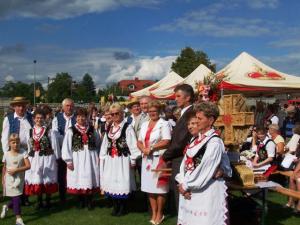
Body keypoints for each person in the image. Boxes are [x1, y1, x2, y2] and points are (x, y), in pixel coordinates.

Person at [176, 102, 230, 225]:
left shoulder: (214, 142)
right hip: (190, 188)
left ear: (210, 120)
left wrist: (186, 186)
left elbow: (205, 169)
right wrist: (182, 181)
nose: (197, 121)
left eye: (200, 119)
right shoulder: (195, 139)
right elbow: (185, 163)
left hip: (205, 190)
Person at [100, 103, 140, 216]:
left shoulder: (127, 127)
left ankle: (123, 207)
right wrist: (102, 157)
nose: (114, 116)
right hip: (110, 160)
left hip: (122, 160)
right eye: (112, 114)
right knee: (111, 181)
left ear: (122, 113)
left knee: (122, 182)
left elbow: (133, 145)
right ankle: (115, 206)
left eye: (117, 113)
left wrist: (133, 160)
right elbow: (105, 144)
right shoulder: (109, 127)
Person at [137, 100, 171, 225]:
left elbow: (167, 141)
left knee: (160, 188)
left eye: (155, 111)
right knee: (150, 188)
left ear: (159, 111)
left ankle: (160, 213)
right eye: (150, 111)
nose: (152, 113)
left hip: (160, 159)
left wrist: (151, 148)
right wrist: (143, 149)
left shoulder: (164, 124)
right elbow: (139, 141)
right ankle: (154, 212)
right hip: (147, 159)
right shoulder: (145, 124)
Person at [162, 84, 194, 211]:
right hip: (178, 157)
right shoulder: (185, 113)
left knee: (181, 194)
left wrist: (165, 156)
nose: (176, 99)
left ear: (188, 97)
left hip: (181, 158)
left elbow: (180, 141)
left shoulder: (189, 114)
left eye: (178, 96)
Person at [62, 107, 100, 209]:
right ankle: (80, 201)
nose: (81, 119)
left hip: (91, 158)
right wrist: (68, 161)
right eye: (78, 117)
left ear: (87, 117)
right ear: (76, 118)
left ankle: (89, 201)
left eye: (83, 116)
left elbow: (98, 142)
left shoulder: (92, 129)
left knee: (90, 178)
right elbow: (66, 146)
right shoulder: (71, 130)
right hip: (77, 158)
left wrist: (97, 155)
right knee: (79, 179)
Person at [24, 109, 58, 209]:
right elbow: (28, 146)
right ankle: (39, 201)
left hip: (47, 157)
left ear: (44, 119)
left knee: (47, 178)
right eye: (37, 118)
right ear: (34, 119)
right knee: (37, 177)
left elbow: (54, 146)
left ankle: (48, 201)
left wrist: (56, 159)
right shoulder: (30, 131)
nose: (39, 120)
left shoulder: (49, 131)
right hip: (34, 158)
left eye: (41, 118)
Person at [1, 134, 31, 225]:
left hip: (19, 179)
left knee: (17, 199)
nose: (15, 144)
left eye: (17, 142)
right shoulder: (6, 154)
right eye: (13, 142)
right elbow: (4, 167)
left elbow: (28, 166)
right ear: (9, 143)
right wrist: (3, 179)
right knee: (16, 198)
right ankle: (18, 219)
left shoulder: (23, 152)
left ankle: (6, 206)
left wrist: (16, 170)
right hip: (9, 180)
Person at [52, 98, 76, 202]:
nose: (69, 108)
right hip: (61, 149)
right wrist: (67, 139)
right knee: (62, 174)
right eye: (67, 106)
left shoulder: (77, 118)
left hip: (75, 150)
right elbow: (55, 134)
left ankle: (76, 193)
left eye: (71, 105)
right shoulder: (57, 118)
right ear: (63, 107)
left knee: (74, 172)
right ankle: (62, 195)